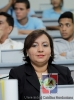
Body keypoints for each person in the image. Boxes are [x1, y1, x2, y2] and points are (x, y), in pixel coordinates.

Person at [9, 30, 73, 100]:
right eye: (34, 45)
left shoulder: (64, 72)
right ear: (27, 50)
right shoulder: (17, 74)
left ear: (51, 50)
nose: (40, 49)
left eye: (45, 45)